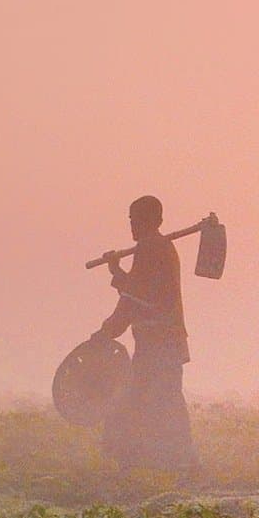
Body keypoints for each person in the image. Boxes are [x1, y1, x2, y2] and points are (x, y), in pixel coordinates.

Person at [92, 195, 198, 471]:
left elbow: (133, 300)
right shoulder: (157, 249)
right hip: (162, 344)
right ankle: (175, 463)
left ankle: (134, 463)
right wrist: (117, 271)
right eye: (131, 220)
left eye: (137, 220)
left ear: (155, 221)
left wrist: (107, 332)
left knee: (133, 403)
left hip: (159, 344)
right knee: (165, 402)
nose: (133, 225)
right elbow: (139, 291)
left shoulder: (151, 249)